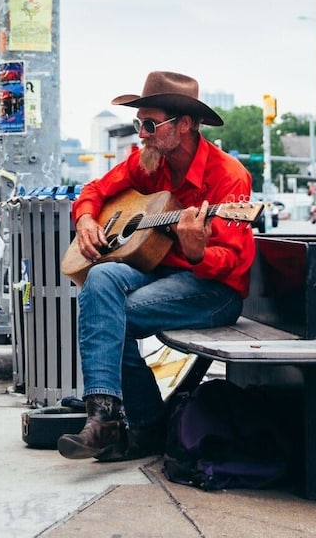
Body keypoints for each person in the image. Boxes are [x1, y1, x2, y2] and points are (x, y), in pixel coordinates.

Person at [57, 71, 256, 462]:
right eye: (138, 124)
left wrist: (198, 250)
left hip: (214, 289)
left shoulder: (229, 177)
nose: (141, 134)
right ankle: (104, 416)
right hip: (160, 269)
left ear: (184, 125)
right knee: (99, 278)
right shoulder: (148, 162)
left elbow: (231, 262)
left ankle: (145, 425)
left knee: (112, 315)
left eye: (149, 124)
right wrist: (84, 219)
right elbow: (95, 190)